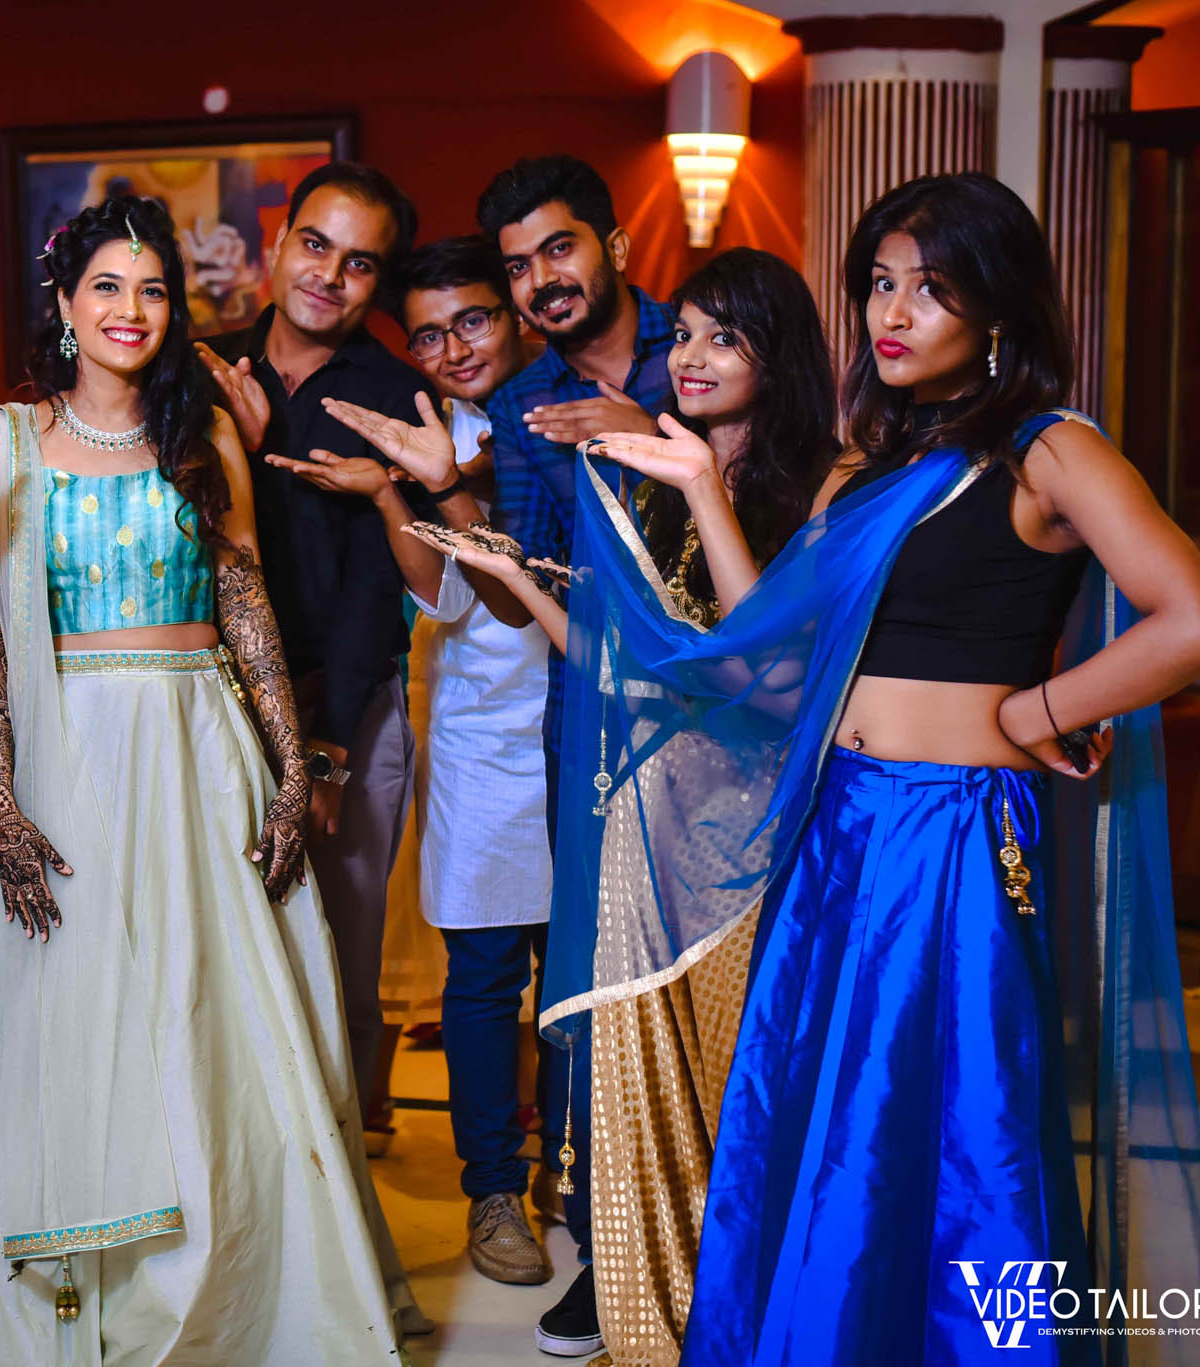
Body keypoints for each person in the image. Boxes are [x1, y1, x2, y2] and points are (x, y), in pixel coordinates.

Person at [573, 173, 1200, 1364]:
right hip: (837, 826)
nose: (895, 310)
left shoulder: (1047, 450)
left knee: (956, 1125)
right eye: (879, 283)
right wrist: (703, 490)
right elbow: (769, 669)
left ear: (996, 305)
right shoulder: (859, 468)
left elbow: (1192, 620)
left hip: (952, 835)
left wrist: (1035, 709)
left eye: (930, 288)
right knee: (816, 1123)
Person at [0, 196, 421, 1364]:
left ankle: (225, 1274)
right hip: (65, 745)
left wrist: (291, 767)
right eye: (105, 288)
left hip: (196, 744)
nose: (129, 312)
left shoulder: (204, 434)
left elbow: (243, 598)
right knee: (58, 1002)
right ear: (64, 304)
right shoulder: (5, 440)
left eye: (150, 291)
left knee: (206, 1001)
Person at [392, 247, 839, 1361]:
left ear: (776, 355)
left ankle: (738, 1277)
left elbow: (766, 668)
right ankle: (629, 1268)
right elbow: (617, 658)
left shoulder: (819, 484)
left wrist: (696, 483)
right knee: (626, 1045)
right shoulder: (643, 478)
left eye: (720, 337)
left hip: (753, 820)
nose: (687, 358)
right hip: (645, 805)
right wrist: (508, 565)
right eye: (680, 333)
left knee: (738, 1052)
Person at [311, 235, 566, 1287]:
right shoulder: (434, 430)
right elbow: (439, 593)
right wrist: (393, 495)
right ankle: (492, 1191)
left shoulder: (567, 420)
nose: (451, 345)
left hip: (592, 726)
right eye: (426, 330)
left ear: (510, 315)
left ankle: (579, 1172)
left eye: (470, 319)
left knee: (581, 980)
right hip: (483, 734)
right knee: (484, 975)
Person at [196, 161, 443, 1126]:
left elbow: (377, 591)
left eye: (360, 264)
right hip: (213, 703)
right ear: (277, 242)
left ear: (380, 283)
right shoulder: (202, 368)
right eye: (315, 245)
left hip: (345, 703)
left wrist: (331, 751)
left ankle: (337, 1167)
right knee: (218, 943)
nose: (328, 276)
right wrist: (246, 455)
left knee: (339, 944)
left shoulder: (394, 397)